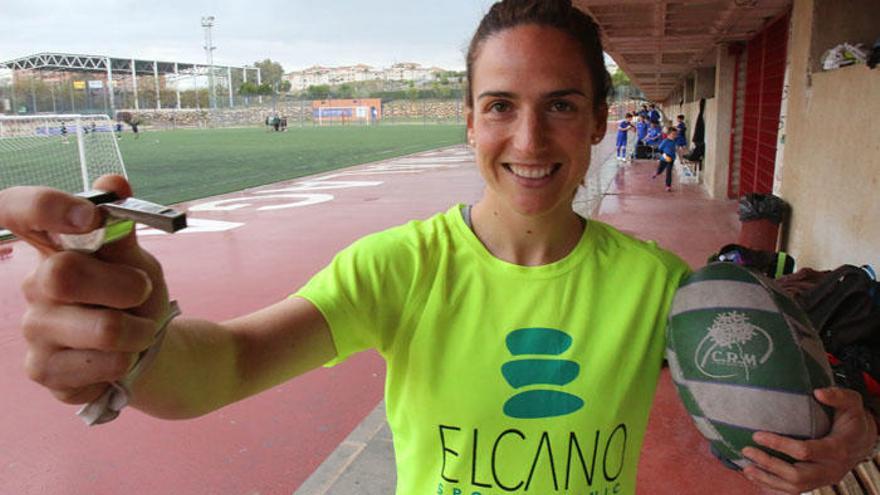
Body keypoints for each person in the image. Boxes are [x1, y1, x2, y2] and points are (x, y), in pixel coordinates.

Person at [0, 1, 874, 494]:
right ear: (468, 120)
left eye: (561, 104)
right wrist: (136, 342)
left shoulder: (664, 290)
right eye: (500, 104)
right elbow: (227, 363)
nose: (529, 137)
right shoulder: (399, 266)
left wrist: (842, 433)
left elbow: (773, 397)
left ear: (602, 121)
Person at [653, 127, 679, 192]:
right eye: (673, 134)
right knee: (660, 170)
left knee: (669, 171)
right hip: (664, 158)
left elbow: (676, 149)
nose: (674, 135)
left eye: (675, 134)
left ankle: (668, 186)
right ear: (669, 134)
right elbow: (659, 149)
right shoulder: (665, 141)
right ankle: (657, 173)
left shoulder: (674, 141)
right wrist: (665, 155)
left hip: (671, 158)